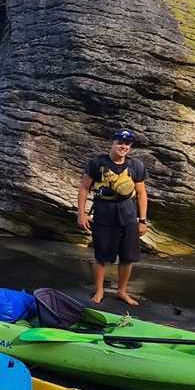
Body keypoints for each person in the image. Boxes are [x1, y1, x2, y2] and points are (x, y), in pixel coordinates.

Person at [77, 129, 148, 306]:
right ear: (113, 143)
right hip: (104, 212)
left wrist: (143, 220)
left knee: (127, 256)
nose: (123, 146)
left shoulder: (136, 166)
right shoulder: (97, 163)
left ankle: (122, 291)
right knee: (101, 255)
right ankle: (99, 290)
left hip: (128, 213)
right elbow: (84, 188)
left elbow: (141, 194)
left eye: (127, 144)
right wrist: (82, 213)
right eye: (120, 142)